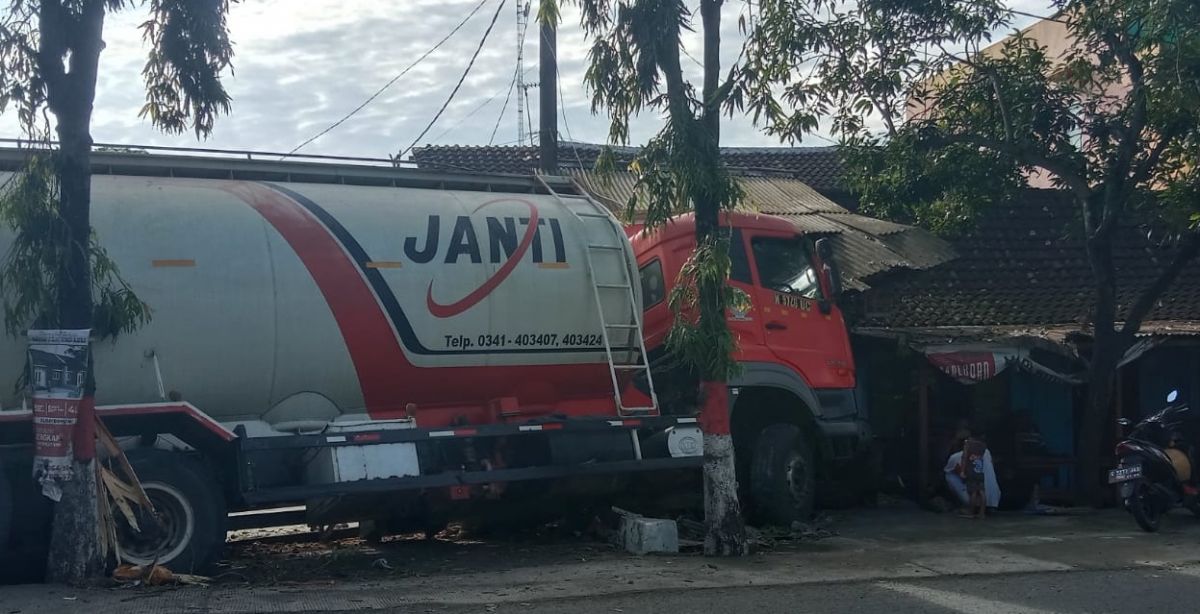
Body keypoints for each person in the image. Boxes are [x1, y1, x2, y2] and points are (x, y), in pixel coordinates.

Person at [944, 429, 1001, 514]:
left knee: (949, 474)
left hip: (973, 483)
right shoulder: (986, 452)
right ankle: (985, 509)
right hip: (994, 498)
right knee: (981, 489)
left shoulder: (956, 457)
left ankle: (971, 508)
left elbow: (956, 472)